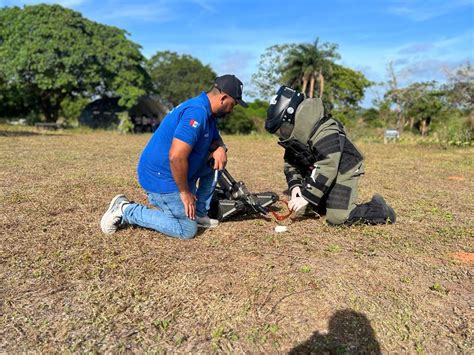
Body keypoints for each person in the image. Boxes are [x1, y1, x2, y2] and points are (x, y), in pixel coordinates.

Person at [100, 74, 248, 239]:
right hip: (162, 176)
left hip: (178, 171)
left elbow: (214, 139)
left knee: (216, 163)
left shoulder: (209, 113)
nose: (232, 110)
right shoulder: (197, 113)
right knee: (186, 230)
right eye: (233, 104)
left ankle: (199, 213)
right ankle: (126, 210)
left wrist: (220, 147)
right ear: (223, 98)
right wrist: (184, 192)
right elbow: (176, 157)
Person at [265, 85, 395, 225]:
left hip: (344, 168)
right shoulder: (297, 136)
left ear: (293, 117)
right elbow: (290, 163)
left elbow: (328, 164)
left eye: (283, 128)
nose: (282, 134)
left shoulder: (325, 129)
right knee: (302, 209)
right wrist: (295, 187)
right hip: (324, 169)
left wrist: (306, 197)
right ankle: (326, 200)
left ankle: (380, 209)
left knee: (338, 217)